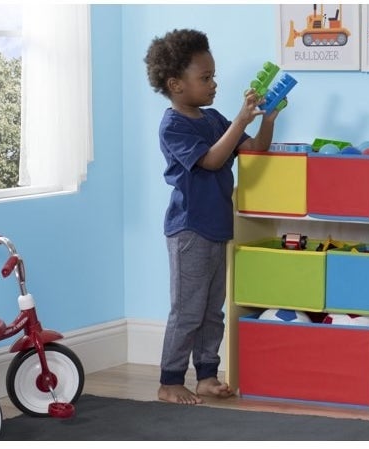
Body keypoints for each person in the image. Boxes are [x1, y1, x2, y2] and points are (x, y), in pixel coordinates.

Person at [144, 28, 283, 405]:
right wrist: (241, 118)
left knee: (212, 310)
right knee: (187, 311)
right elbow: (211, 160)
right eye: (205, 78)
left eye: (213, 76)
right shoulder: (173, 125)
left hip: (218, 226)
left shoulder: (213, 118)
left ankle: (206, 375)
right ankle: (170, 380)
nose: (214, 84)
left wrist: (266, 118)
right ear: (176, 84)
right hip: (189, 229)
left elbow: (252, 149)